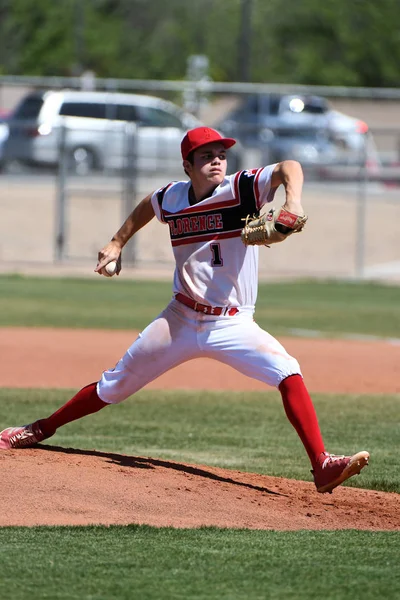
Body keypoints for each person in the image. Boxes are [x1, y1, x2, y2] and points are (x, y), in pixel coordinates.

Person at [0, 126, 369, 494]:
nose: (217, 162)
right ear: (187, 165)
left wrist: (293, 202)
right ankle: (40, 428)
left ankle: (321, 465)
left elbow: (290, 165)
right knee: (114, 386)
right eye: (206, 156)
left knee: (287, 370)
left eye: (221, 155)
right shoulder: (173, 198)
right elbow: (150, 204)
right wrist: (116, 242)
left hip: (233, 323)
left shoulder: (241, 188)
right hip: (179, 319)